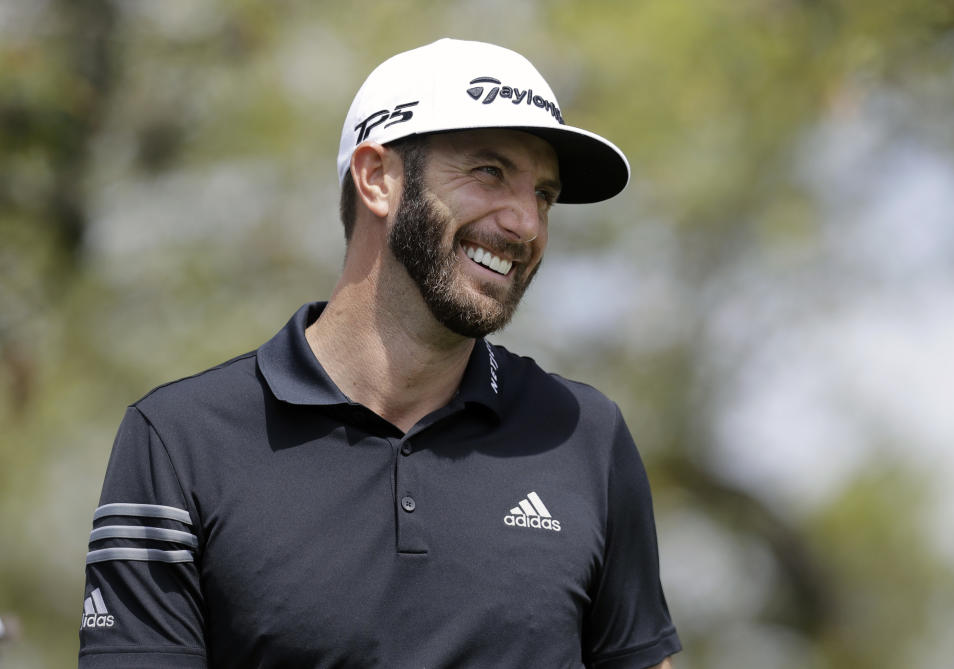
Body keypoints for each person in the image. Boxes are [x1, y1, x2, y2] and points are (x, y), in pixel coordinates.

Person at [78, 38, 681, 669]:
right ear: (377, 179)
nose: (526, 224)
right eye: (490, 172)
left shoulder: (585, 436)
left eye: (545, 196)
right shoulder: (179, 440)